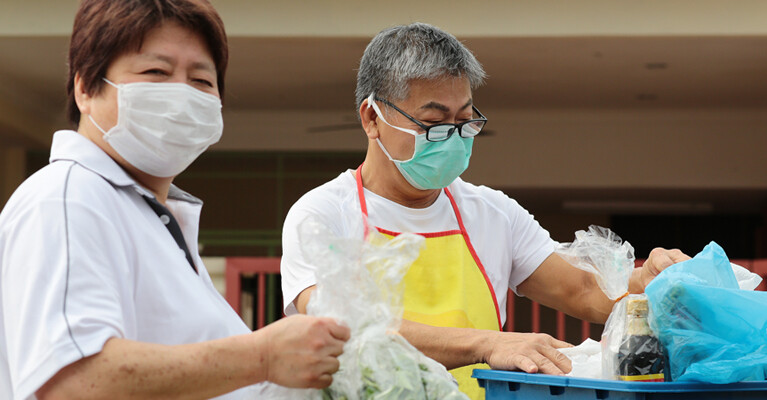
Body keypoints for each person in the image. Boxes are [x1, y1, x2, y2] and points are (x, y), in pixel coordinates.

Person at [280, 22, 690, 399]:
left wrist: (647, 285)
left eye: (465, 122)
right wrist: (487, 342)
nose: (454, 140)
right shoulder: (322, 214)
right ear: (372, 117)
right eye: (435, 124)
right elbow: (341, 325)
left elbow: (582, 290)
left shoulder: (493, 213)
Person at [0, 1, 349, 399]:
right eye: (156, 72)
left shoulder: (150, 218)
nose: (181, 94)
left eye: (201, 80)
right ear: (85, 87)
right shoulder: (67, 198)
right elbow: (73, 382)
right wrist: (263, 357)